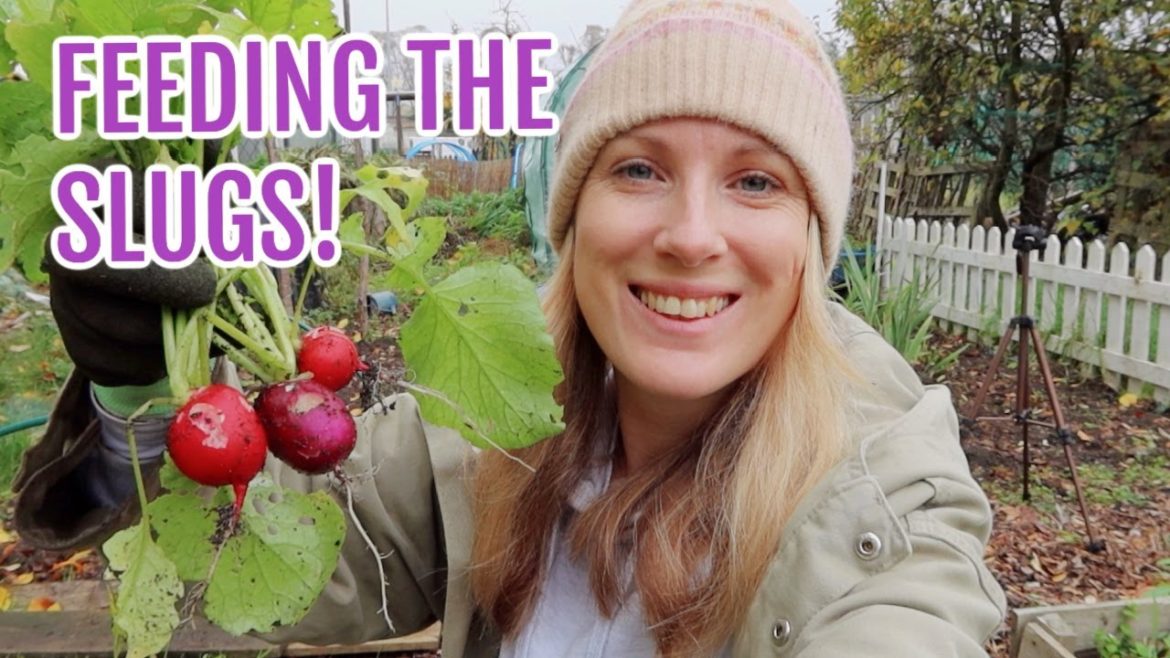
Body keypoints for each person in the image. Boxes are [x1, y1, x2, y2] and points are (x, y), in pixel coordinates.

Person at [12, 0, 1008, 656]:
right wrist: (142, 401)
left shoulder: (889, 499)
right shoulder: (483, 421)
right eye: (638, 169)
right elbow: (253, 569)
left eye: (756, 182)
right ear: (570, 219)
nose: (692, 235)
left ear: (812, 235)